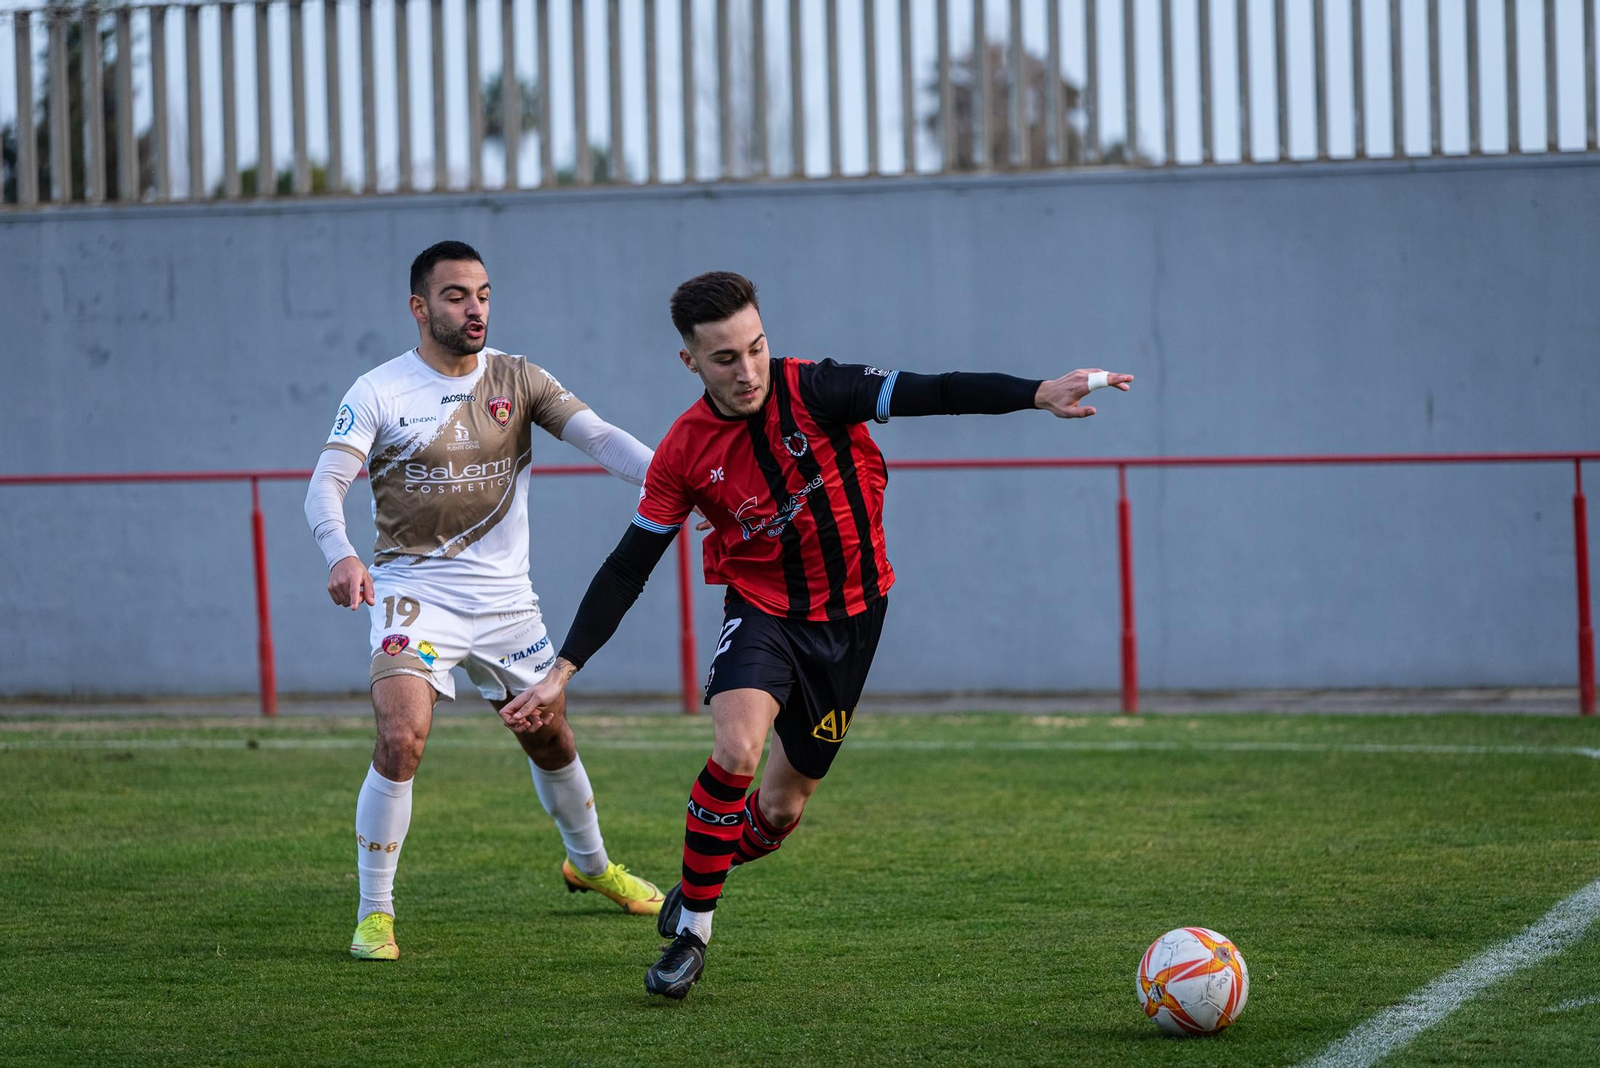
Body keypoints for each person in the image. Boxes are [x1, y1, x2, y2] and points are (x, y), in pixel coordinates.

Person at [498, 270, 1133, 998]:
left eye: (756, 348)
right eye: (726, 358)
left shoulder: (820, 388)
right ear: (691, 363)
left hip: (855, 618)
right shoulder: (682, 452)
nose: (748, 371)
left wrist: (1036, 391)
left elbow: (937, 391)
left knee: (778, 811)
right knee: (736, 750)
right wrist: (562, 672)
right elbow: (626, 567)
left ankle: (702, 873)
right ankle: (693, 935)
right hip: (762, 612)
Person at [305, 240, 665, 962]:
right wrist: (341, 554)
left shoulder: (517, 377)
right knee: (401, 736)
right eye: (456, 296)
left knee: (550, 736)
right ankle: (375, 915)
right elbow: (326, 484)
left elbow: (598, 438)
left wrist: (676, 479)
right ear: (419, 307)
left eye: (483, 294)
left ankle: (590, 868)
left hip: (508, 607)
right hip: (414, 596)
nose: (474, 308)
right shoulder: (377, 390)